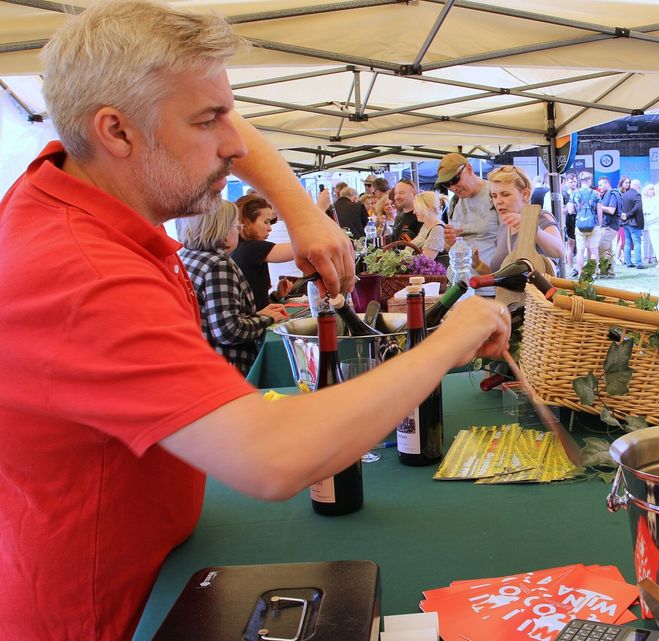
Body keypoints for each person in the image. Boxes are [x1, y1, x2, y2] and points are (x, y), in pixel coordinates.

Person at [0, 4, 509, 640]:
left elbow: (220, 122)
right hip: (107, 615)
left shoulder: (79, 183)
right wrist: (450, 339)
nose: (235, 144)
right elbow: (272, 458)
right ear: (118, 132)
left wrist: (302, 210)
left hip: (162, 568)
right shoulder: (81, 272)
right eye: (207, 121)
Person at [178, 200, 288, 375]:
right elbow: (228, 330)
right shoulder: (218, 264)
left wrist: (257, 315)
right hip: (227, 367)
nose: (238, 231)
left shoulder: (187, 255)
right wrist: (268, 319)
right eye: (236, 226)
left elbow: (215, 315)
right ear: (223, 230)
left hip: (201, 361)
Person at [438, 153, 501, 292]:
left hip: (492, 287)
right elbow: (453, 249)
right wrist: (450, 243)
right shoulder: (454, 202)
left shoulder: (495, 194)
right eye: (447, 184)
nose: (453, 187)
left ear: (469, 168)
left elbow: (510, 242)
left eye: (455, 179)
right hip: (462, 288)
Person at [482, 166, 564, 271]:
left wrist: (531, 227)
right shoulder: (505, 225)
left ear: (525, 194)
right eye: (494, 196)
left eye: (505, 194)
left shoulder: (540, 217)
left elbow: (559, 251)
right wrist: (478, 265)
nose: (498, 201)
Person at [231, 193, 296, 310]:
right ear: (246, 222)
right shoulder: (251, 248)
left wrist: (277, 295)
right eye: (266, 222)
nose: (270, 228)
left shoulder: (241, 247)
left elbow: (258, 303)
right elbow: (300, 250)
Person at [408, 191, 446, 261]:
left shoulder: (438, 230)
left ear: (429, 207)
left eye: (417, 207)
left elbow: (425, 260)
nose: (414, 212)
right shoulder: (425, 227)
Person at [596, 176, 622, 276]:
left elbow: (611, 210)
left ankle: (603, 271)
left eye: (601, 185)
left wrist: (599, 207)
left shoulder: (613, 194)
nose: (599, 187)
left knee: (601, 247)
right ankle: (610, 273)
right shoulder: (606, 194)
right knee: (608, 250)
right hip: (607, 226)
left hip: (611, 226)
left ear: (607, 184)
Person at [620, 177, 645, 268]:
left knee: (627, 242)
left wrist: (624, 215)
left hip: (625, 223)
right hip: (634, 223)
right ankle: (638, 263)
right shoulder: (637, 195)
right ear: (637, 186)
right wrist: (628, 215)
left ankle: (628, 262)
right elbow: (638, 208)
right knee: (637, 242)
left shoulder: (624, 195)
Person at [641, 181, 659, 266]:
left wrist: (647, 219)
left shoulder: (655, 199)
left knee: (656, 243)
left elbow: (648, 211)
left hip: (655, 225)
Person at [389, 178, 422, 242]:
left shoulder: (420, 216)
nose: (397, 197)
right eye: (396, 193)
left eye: (401, 193)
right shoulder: (399, 216)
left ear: (414, 194)